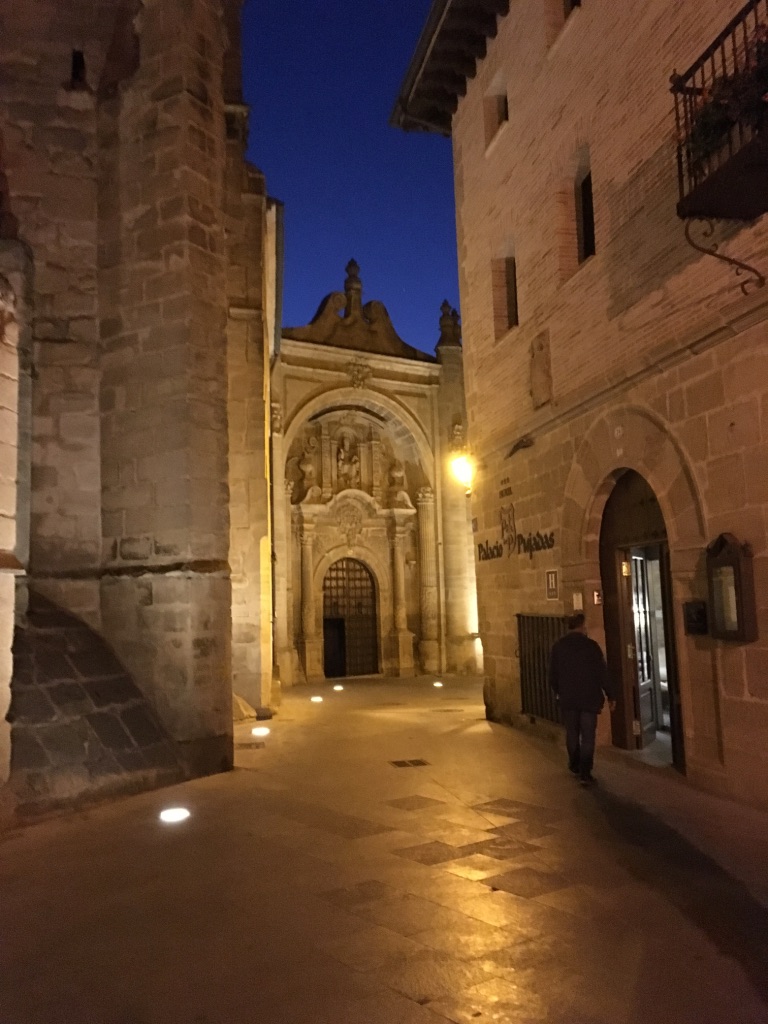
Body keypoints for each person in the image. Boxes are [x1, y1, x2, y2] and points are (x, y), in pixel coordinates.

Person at [548, 612, 616, 786]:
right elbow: (602, 672)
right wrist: (611, 695)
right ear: (582, 626)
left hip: (569, 698)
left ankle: (574, 765)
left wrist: (559, 691)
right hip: (589, 698)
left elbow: (553, 675)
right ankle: (585, 773)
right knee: (588, 736)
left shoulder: (558, 647)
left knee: (572, 732)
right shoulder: (591, 647)